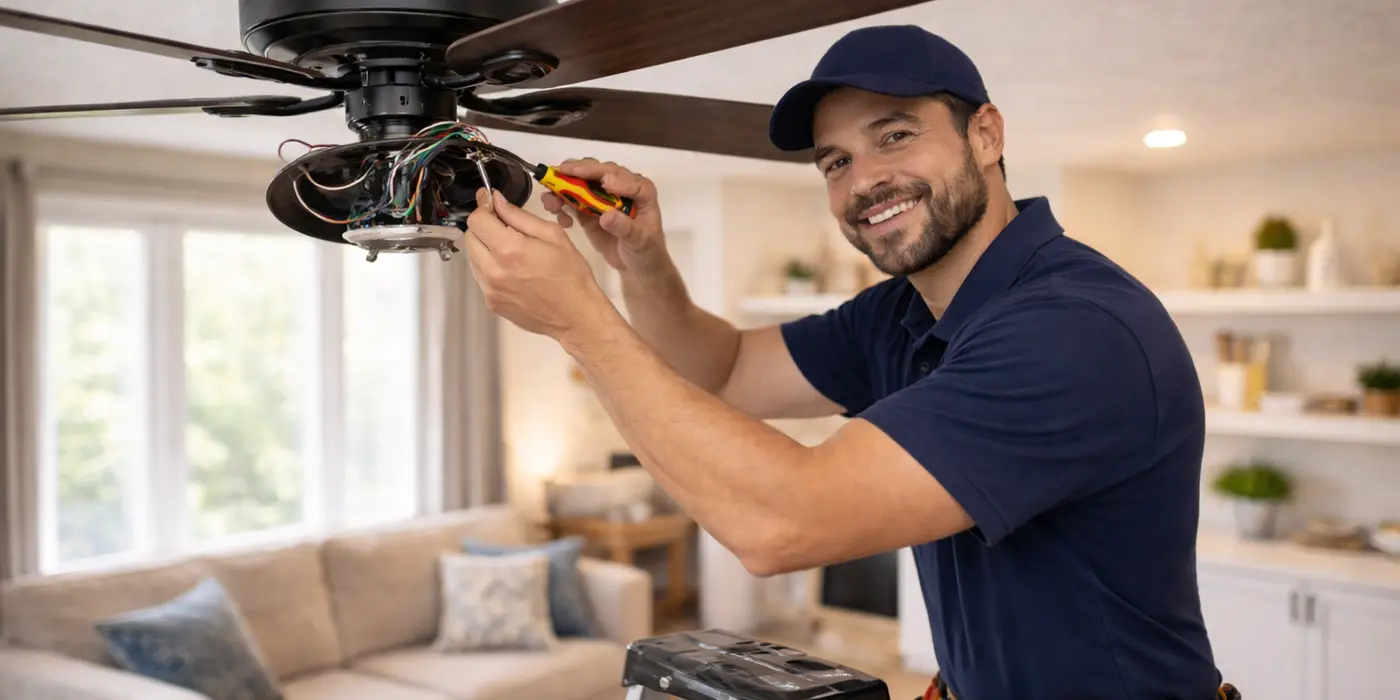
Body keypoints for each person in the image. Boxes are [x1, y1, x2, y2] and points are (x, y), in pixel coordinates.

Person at [462, 23, 1233, 700]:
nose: (863, 181)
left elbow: (782, 525)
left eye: (894, 135)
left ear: (987, 136)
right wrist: (642, 263)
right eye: (835, 162)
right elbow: (723, 370)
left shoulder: (1074, 330)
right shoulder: (905, 312)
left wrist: (579, 320)